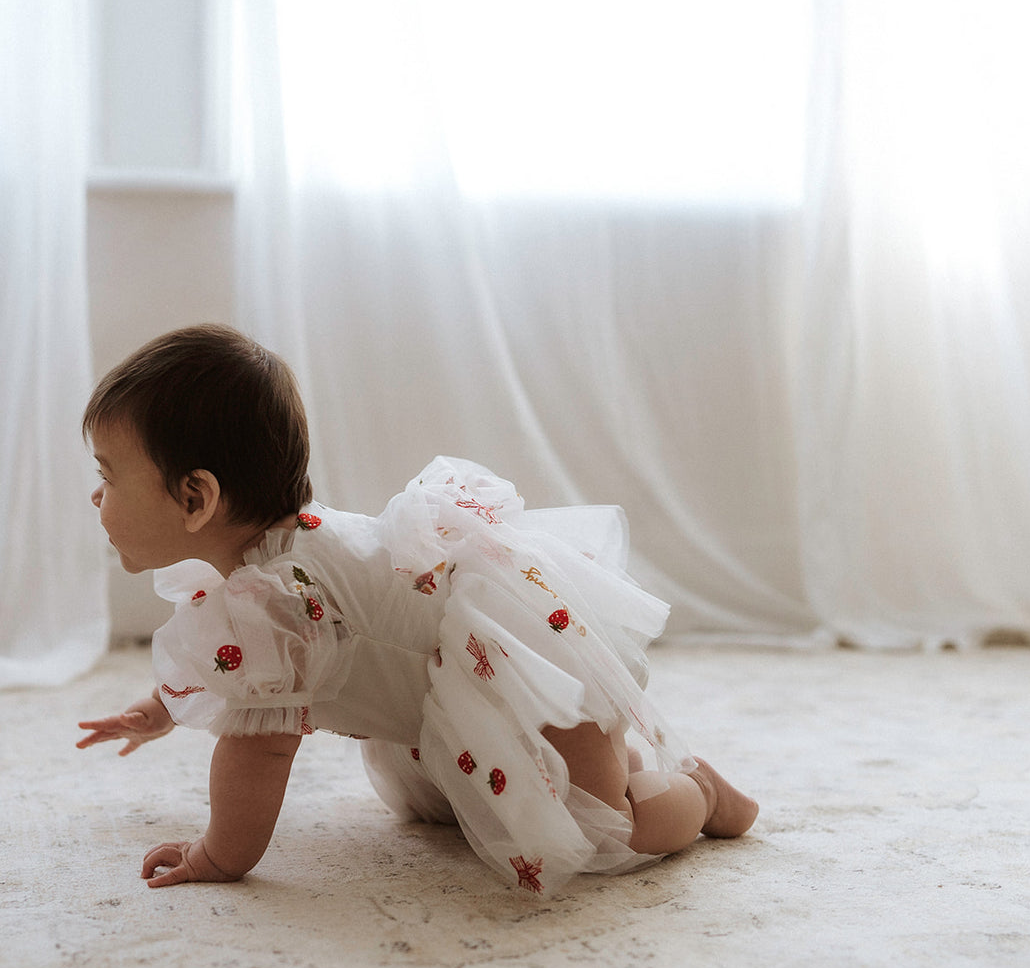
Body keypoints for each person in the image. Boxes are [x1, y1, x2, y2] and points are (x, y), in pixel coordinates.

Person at [75, 324, 757, 896]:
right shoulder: (262, 574)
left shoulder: (277, 600)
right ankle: (621, 767)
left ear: (196, 500)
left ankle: (697, 793)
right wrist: (161, 707)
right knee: (454, 811)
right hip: (478, 693)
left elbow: (257, 750)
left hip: (532, 686)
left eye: (107, 476)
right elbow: (229, 665)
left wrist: (217, 857)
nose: (97, 498)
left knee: (598, 836)